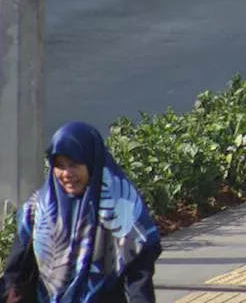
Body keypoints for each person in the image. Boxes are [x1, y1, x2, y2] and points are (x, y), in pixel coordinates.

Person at [2, 122, 162, 303]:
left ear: (92, 161)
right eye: (59, 165)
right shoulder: (38, 209)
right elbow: (15, 273)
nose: (66, 173)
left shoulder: (122, 207)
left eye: (74, 164)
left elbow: (138, 278)